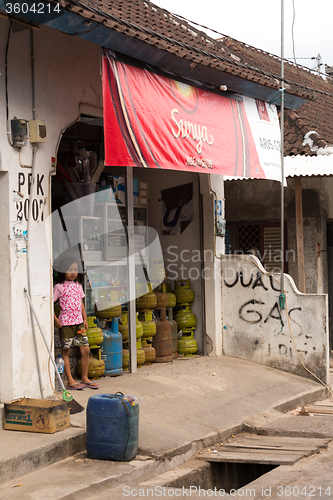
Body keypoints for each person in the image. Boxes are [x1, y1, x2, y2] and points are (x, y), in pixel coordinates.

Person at [53, 256, 99, 390]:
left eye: (75, 269)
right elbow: (49, 303)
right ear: (62, 271)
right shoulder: (59, 287)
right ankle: (70, 381)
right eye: (69, 269)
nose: (73, 272)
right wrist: (55, 319)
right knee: (66, 351)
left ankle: (84, 378)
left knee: (86, 350)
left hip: (79, 323)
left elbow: (81, 303)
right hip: (66, 324)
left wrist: (84, 319)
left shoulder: (78, 286)